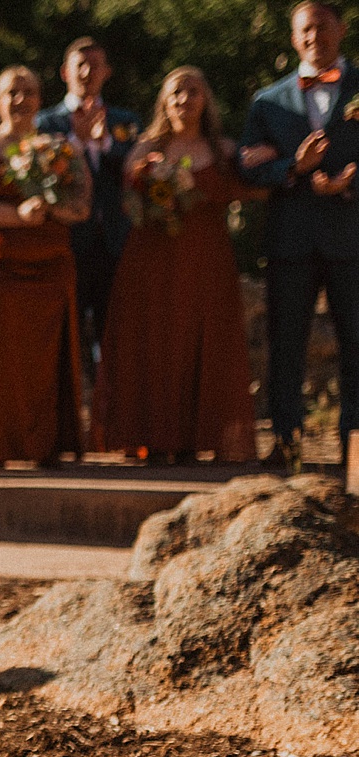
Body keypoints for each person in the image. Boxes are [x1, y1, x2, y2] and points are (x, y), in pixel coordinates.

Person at [96, 69, 261, 464]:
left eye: (193, 91)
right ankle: (151, 436)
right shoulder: (144, 148)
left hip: (207, 260)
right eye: (176, 92)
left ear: (206, 101)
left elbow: (253, 189)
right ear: (164, 101)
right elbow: (128, 204)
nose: (184, 99)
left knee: (203, 340)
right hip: (151, 261)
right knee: (156, 341)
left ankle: (196, 438)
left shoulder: (224, 149)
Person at [238, 1, 359, 469]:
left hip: (351, 235)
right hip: (291, 240)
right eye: (305, 31)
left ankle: (354, 444)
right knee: (285, 343)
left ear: (341, 31)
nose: (314, 38)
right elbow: (248, 169)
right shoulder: (267, 101)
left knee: (356, 342)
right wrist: (294, 169)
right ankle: (286, 441)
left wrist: (348, 183)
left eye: (322, 28)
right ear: (294, 38)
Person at [0, 67, 91, 467]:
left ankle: (45, 444)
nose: (20, 100)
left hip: (48, 267)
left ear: (40, 98)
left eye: (28, 92)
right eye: (12, 92)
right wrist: (18, 215)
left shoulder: (60, 149)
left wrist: (53, 209)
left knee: (43, 363)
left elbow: (82, 205)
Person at [35, 37, 141, 384]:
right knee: (65, 339)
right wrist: (77, 145)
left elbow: (136, 172)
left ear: (106, 72)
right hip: (65, 245)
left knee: (116, 341)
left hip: (114, 243)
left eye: (95, 64)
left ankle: (111, 426)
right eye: (79, 64)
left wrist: (105, 144)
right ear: (65, 72)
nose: (87, 72)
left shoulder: (126, 122)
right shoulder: (45, 124)